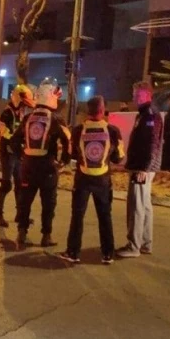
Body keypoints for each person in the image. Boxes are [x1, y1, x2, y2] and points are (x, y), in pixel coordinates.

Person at [57, 96, 125, 265]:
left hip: (83, 179)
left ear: (88, 110)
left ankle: (73, 252)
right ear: (102, 110)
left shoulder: (78, 130)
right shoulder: (113, 131)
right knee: (105, 216)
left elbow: (72, 154)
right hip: (103, 179)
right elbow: (118, 158)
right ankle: (107, 254)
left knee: (77, 216)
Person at [11, 77, 71, 249]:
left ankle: (22, 232)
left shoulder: (28, 118)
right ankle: (46, 236)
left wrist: (22, 156)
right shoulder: (56, 119)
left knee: (25, 201)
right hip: (47, 168)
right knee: (48, 203)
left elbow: (14, 141)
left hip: (28, 166)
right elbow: (68, 141)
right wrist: (63, 161)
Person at [117, 81, 164, 258]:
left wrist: (144, 167)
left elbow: (152, 143)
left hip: (141, 168)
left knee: (136, 206)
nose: (133, 97)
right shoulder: (145, 114)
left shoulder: (149, 114)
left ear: (145, 95)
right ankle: (145, 243)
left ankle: (133, 246)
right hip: (142, 166)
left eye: (136, 94)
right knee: (144, 205)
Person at [0, 84, 35, 227]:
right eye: (23, 103)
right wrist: (16, 140)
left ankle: (20, 215)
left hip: (17, 153)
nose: (25, 106)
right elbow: (4, 133)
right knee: (6, 184)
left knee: (20, 184)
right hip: (8, 153)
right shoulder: (7, 113)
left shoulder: (20, 112)